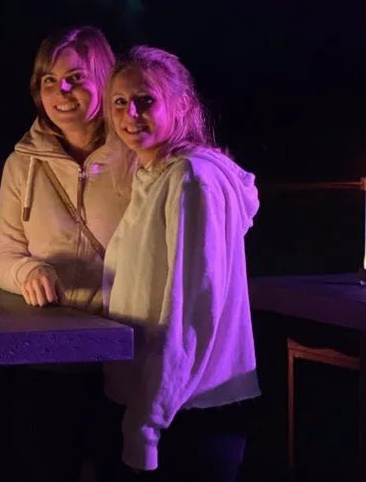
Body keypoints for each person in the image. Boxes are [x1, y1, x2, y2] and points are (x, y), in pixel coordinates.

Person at [102, 45, 261, 481]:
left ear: (183, 105)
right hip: (165, 402)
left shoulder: (192, 179)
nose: (131, 114)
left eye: (146, 100)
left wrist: (146, 425)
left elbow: (192, 310)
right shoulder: (150, 173)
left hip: (190, 410)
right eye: (120, 102)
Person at [0, 26, 130, 482]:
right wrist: (28, 268)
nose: (61, 91)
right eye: (49, 81)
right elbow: (4, 255)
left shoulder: (135, 154)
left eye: (75, 77)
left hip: (123, 349)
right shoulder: (22, 161)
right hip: (46, 354)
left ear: (105, 79)